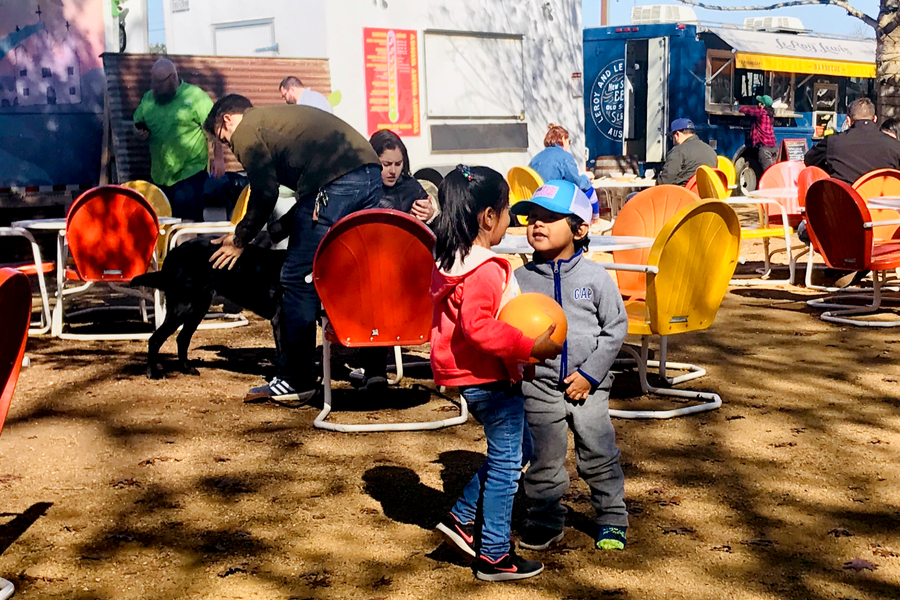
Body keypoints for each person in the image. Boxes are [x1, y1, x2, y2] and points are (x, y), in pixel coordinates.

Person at [204, 94, 383, 403]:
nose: (231, 150)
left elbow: (265, 191)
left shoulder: (247, 127)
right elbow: (306, 205)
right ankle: (374, 369)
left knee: (297, 280)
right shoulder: (279, 122)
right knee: (355, 275)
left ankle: (296, 379)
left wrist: (240, 238)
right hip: (368, 175)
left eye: (224, 141)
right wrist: (271, 233)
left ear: (227, 120)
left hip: (335, 182)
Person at [431, 165, 562, 582]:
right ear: (488, 217)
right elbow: (479, 326)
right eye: (507, 211)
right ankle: (493, 554)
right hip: (487, 377)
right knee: (507, 465)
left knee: (517, 449)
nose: (511, 221)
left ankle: (461, 517)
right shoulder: (485, 267)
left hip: (467, 374)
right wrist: (529, 348)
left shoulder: (451, 259)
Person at [509, 180, 629, 553]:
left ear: (579, 229)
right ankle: (545, 521)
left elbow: (615, 328)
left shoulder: (595, 278)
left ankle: (611, 519)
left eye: (549, 218)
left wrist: (591, 375)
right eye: (532, 218)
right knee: (544, 460)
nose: (537, 225)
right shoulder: (519, 280)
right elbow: (508, 330)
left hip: (588, 390)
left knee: (599, 454)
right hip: (538, 388)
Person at [133, 58, 224, 221]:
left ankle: (189, 244)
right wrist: (138, 133)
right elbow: (136, 124)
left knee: (186, 222)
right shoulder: (148, 98)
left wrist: (218, 158)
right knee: (164, 224)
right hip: (160, 176)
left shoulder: (196, 97)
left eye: (159, 83)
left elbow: (215, 128)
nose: (155, 87)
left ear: (173, 78)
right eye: (153, 81)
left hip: (190, 173)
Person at [804, 98, 900, 183]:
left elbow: (809, 160)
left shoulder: (833, 142)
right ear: (874, 119)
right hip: (880, 200)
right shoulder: (894, 146)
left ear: (848, 120)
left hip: (845, 200)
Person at [528, 124, 600, 220]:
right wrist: (587, 178)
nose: (568, 145)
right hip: (554, 202)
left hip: (536, 201)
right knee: (589, 189)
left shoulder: (535, 159)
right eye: (568, 141)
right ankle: (596, 220)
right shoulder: (565, 157)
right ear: (562, 139)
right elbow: (577, 184)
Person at [370, 129, 437, 222]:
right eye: (386, 164)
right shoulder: (360, 190)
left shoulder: (412, 188)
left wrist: (430, 215)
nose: (393, 171)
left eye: (398, 164)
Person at [656, 118, 717, 187]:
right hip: (706, 194)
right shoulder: (710, 150)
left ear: (677, 135)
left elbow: (664, 181)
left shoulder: (678, 151)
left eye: (671, 137)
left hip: (683, 195)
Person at [738, 94, 778, 172]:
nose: (758, 104)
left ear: (763, 105)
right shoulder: (770, 114)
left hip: (765, 149)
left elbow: (749, 111)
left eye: (760, 102)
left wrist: (740, 108)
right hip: (774, 148)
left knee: (767, 173)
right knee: (772, 172)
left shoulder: (761, 113)